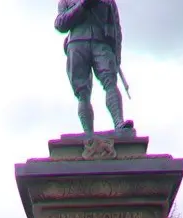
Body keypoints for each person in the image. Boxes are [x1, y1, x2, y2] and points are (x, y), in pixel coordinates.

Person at [55, 0, 134, 136]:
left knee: (110, 82)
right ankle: (88, 134)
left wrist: (117, 55)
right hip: (76, 44)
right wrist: (83, 5)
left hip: (102, 43)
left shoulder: (109, 1)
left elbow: (116, 28)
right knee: (82, 92)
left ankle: (119, 123)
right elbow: (60, 24)